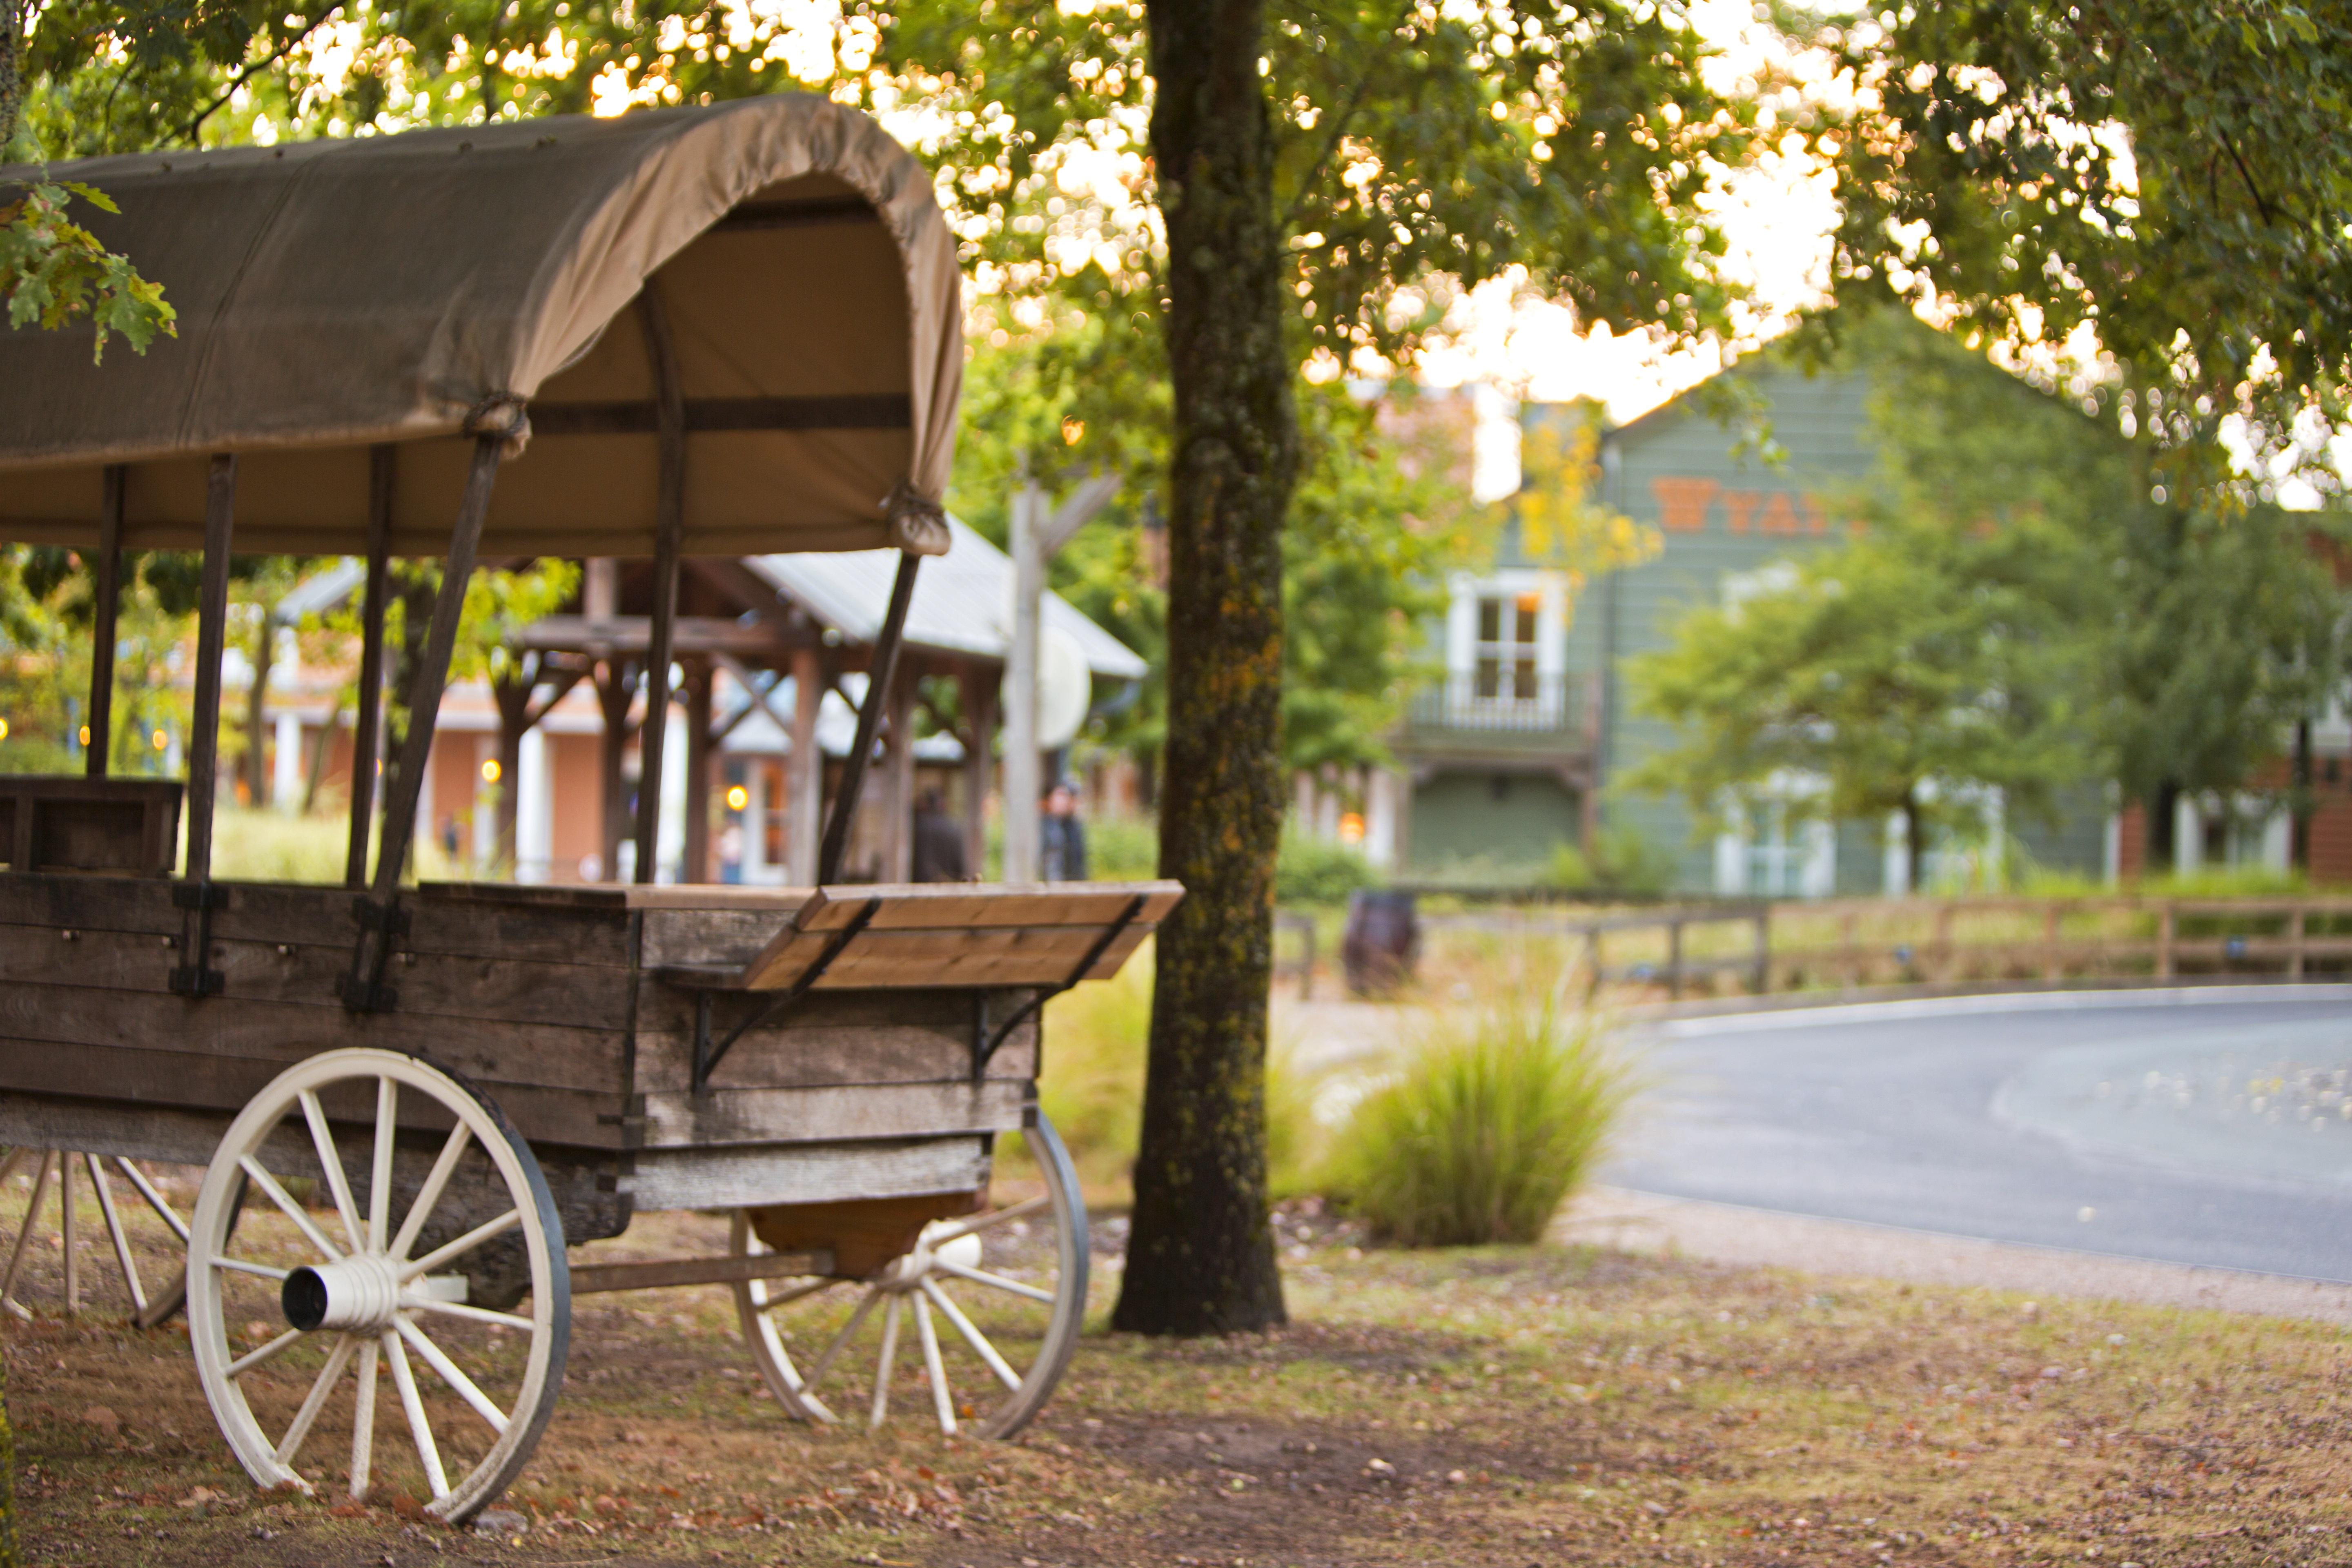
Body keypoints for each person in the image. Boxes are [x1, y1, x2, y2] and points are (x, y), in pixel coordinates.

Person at [909, 787, 967, 882]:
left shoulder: (917, 826)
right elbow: (960, 864)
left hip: (919, 884)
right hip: (948, 886)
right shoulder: (953, 827)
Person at [1039, 780, 1088, 882]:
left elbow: (1080, 859)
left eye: (1065, 798)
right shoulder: (1042, 826)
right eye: (1059, 797)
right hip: (1050, 884)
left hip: (1073, 883)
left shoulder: (1074, 826)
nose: (1062, 802)